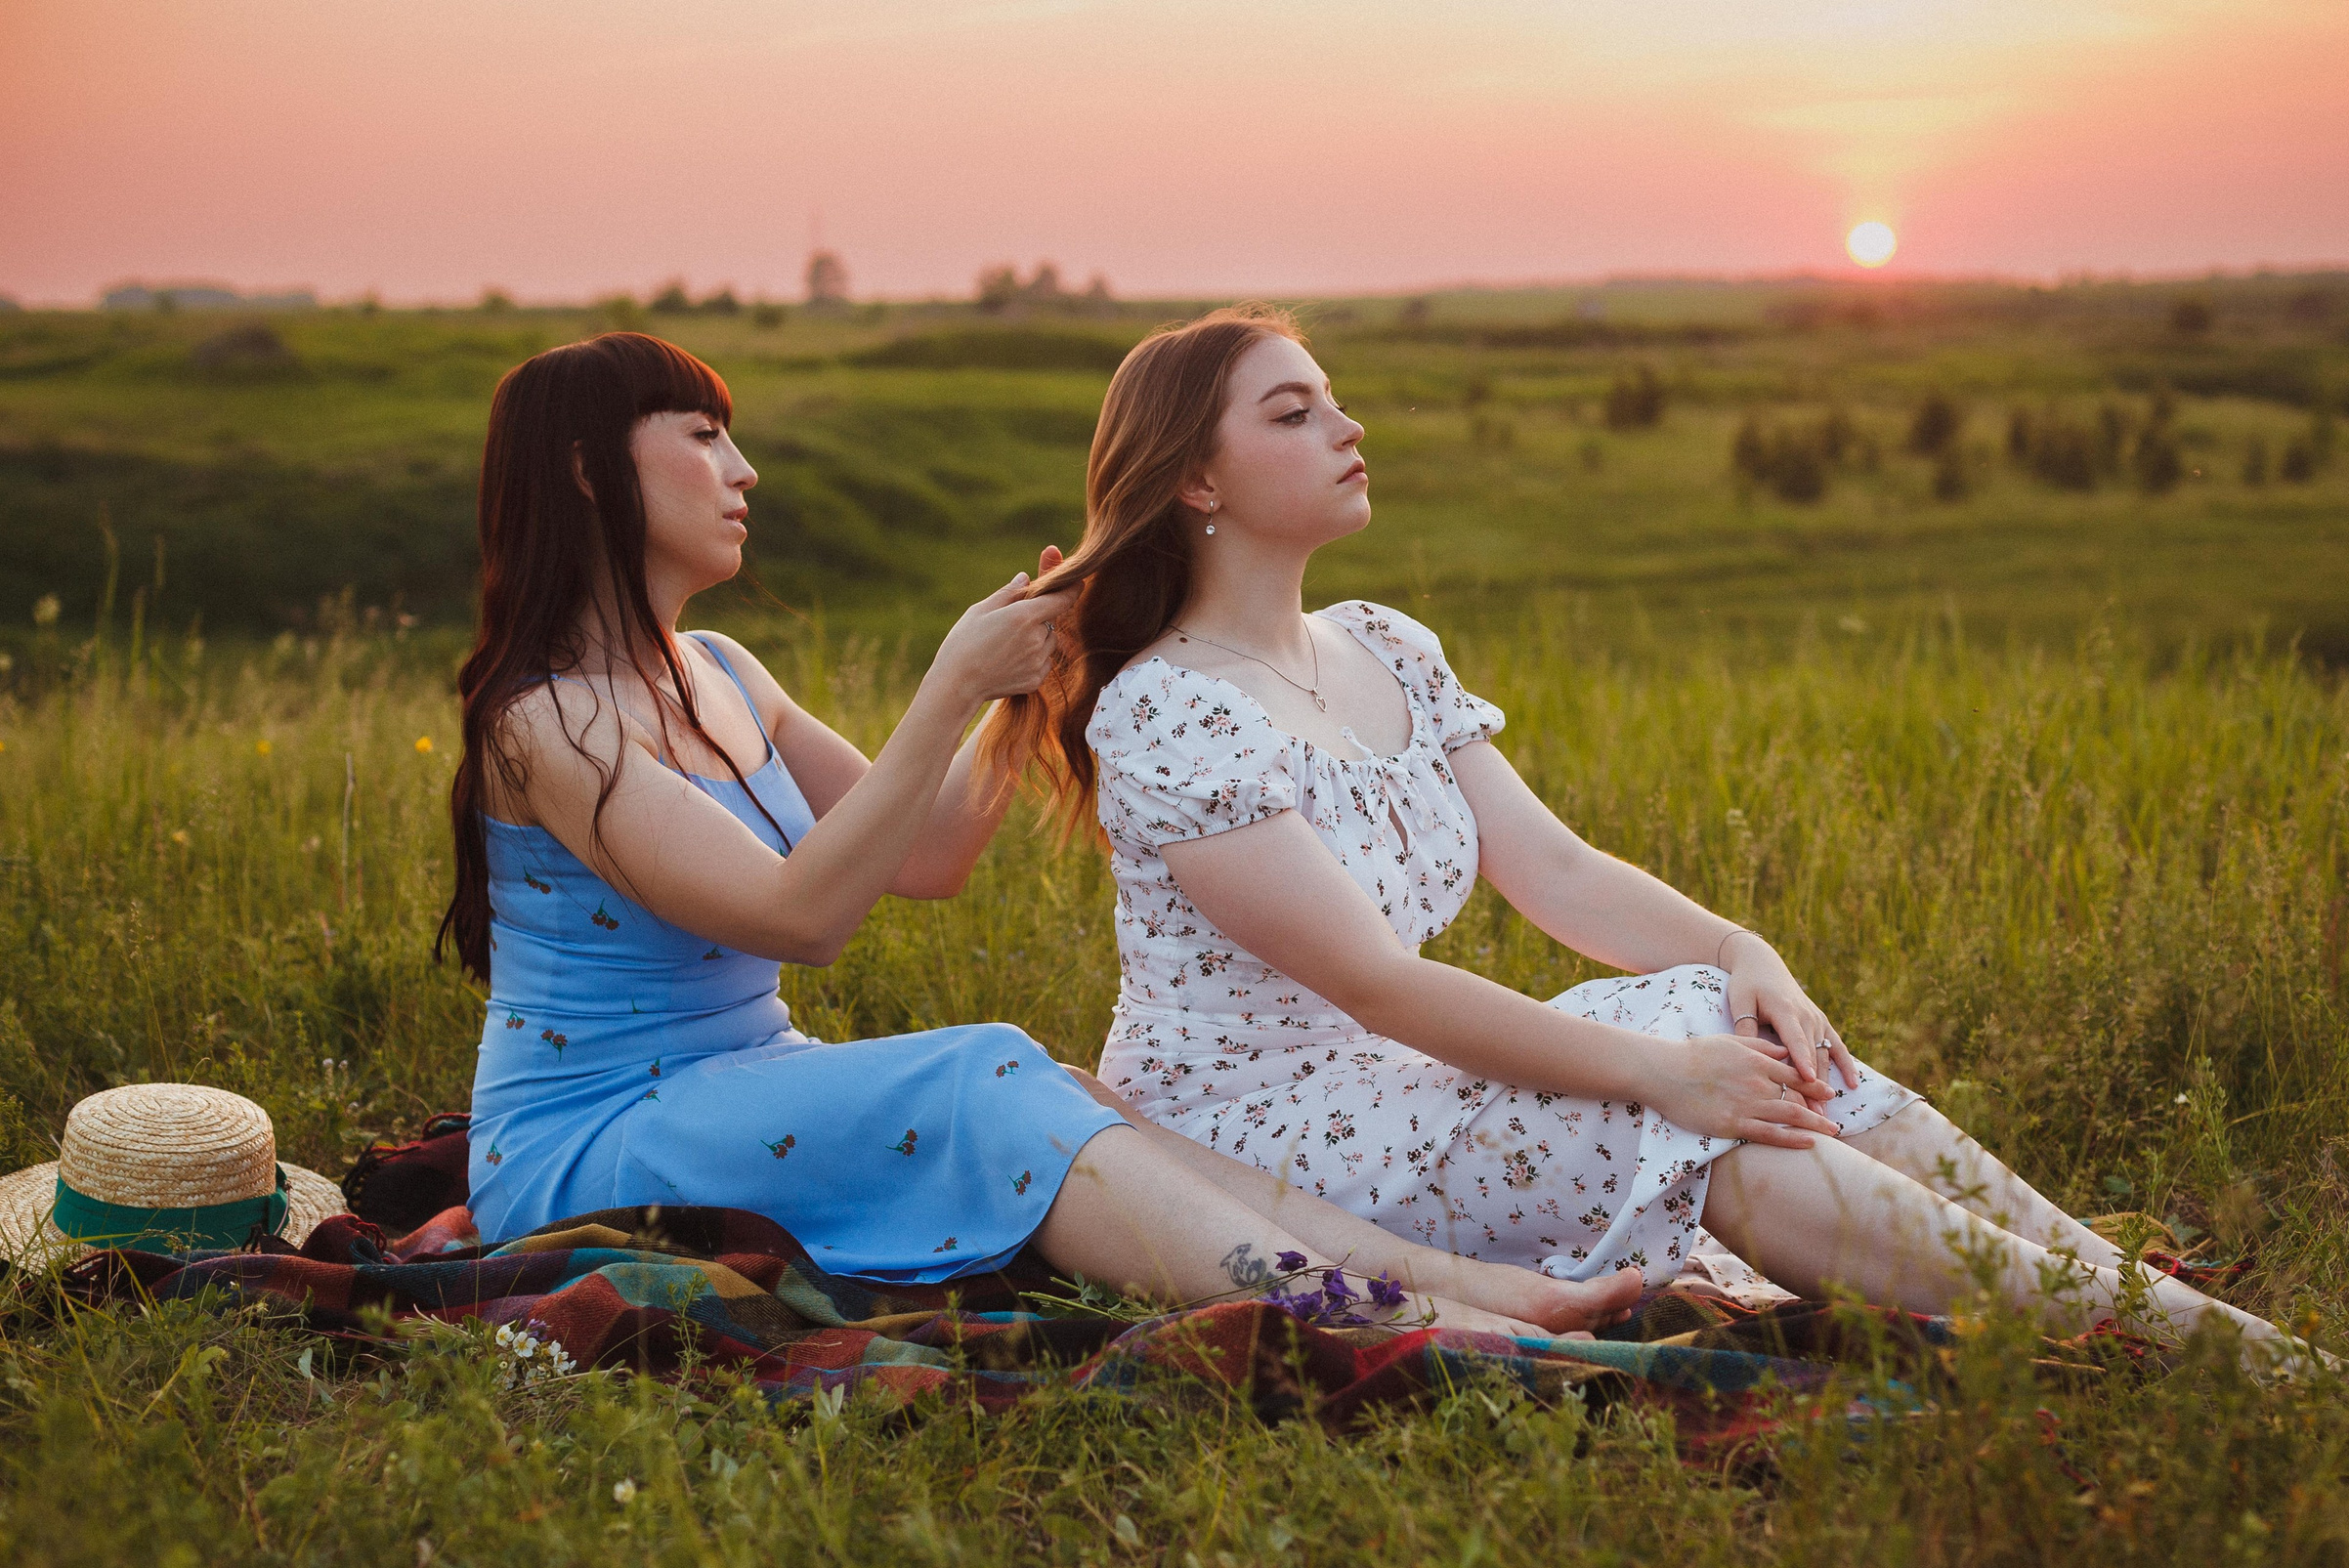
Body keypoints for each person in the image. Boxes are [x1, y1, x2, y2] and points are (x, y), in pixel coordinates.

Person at [984, 304, 2325, 1373]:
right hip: (1260, 1135)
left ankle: (2109, 1281)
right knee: (1685, 1097)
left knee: (1724, 1020)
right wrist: (1659, 1074)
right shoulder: (1165, 705)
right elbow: (1376, 985)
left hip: (1406, 1084)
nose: (1348, 424)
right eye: (1295, 410)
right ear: (1198, 478)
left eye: (1335, 395)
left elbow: (1556, 870)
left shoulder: (1384, 643)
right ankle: (2204, 1353)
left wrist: (1748, 947)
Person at [435, 331, 1639, 1337]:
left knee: (1051, 1082)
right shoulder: (541, 724)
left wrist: (1024, 689)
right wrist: (948, 687)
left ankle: (1447, 1284)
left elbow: (927, 857)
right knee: (981, 1068)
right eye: (701, 438)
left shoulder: (723, 672)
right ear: (592, 472)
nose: (742, 470)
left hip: (744, 1081)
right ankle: (1365, 1311)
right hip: (583, 1140)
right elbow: (798, 919)